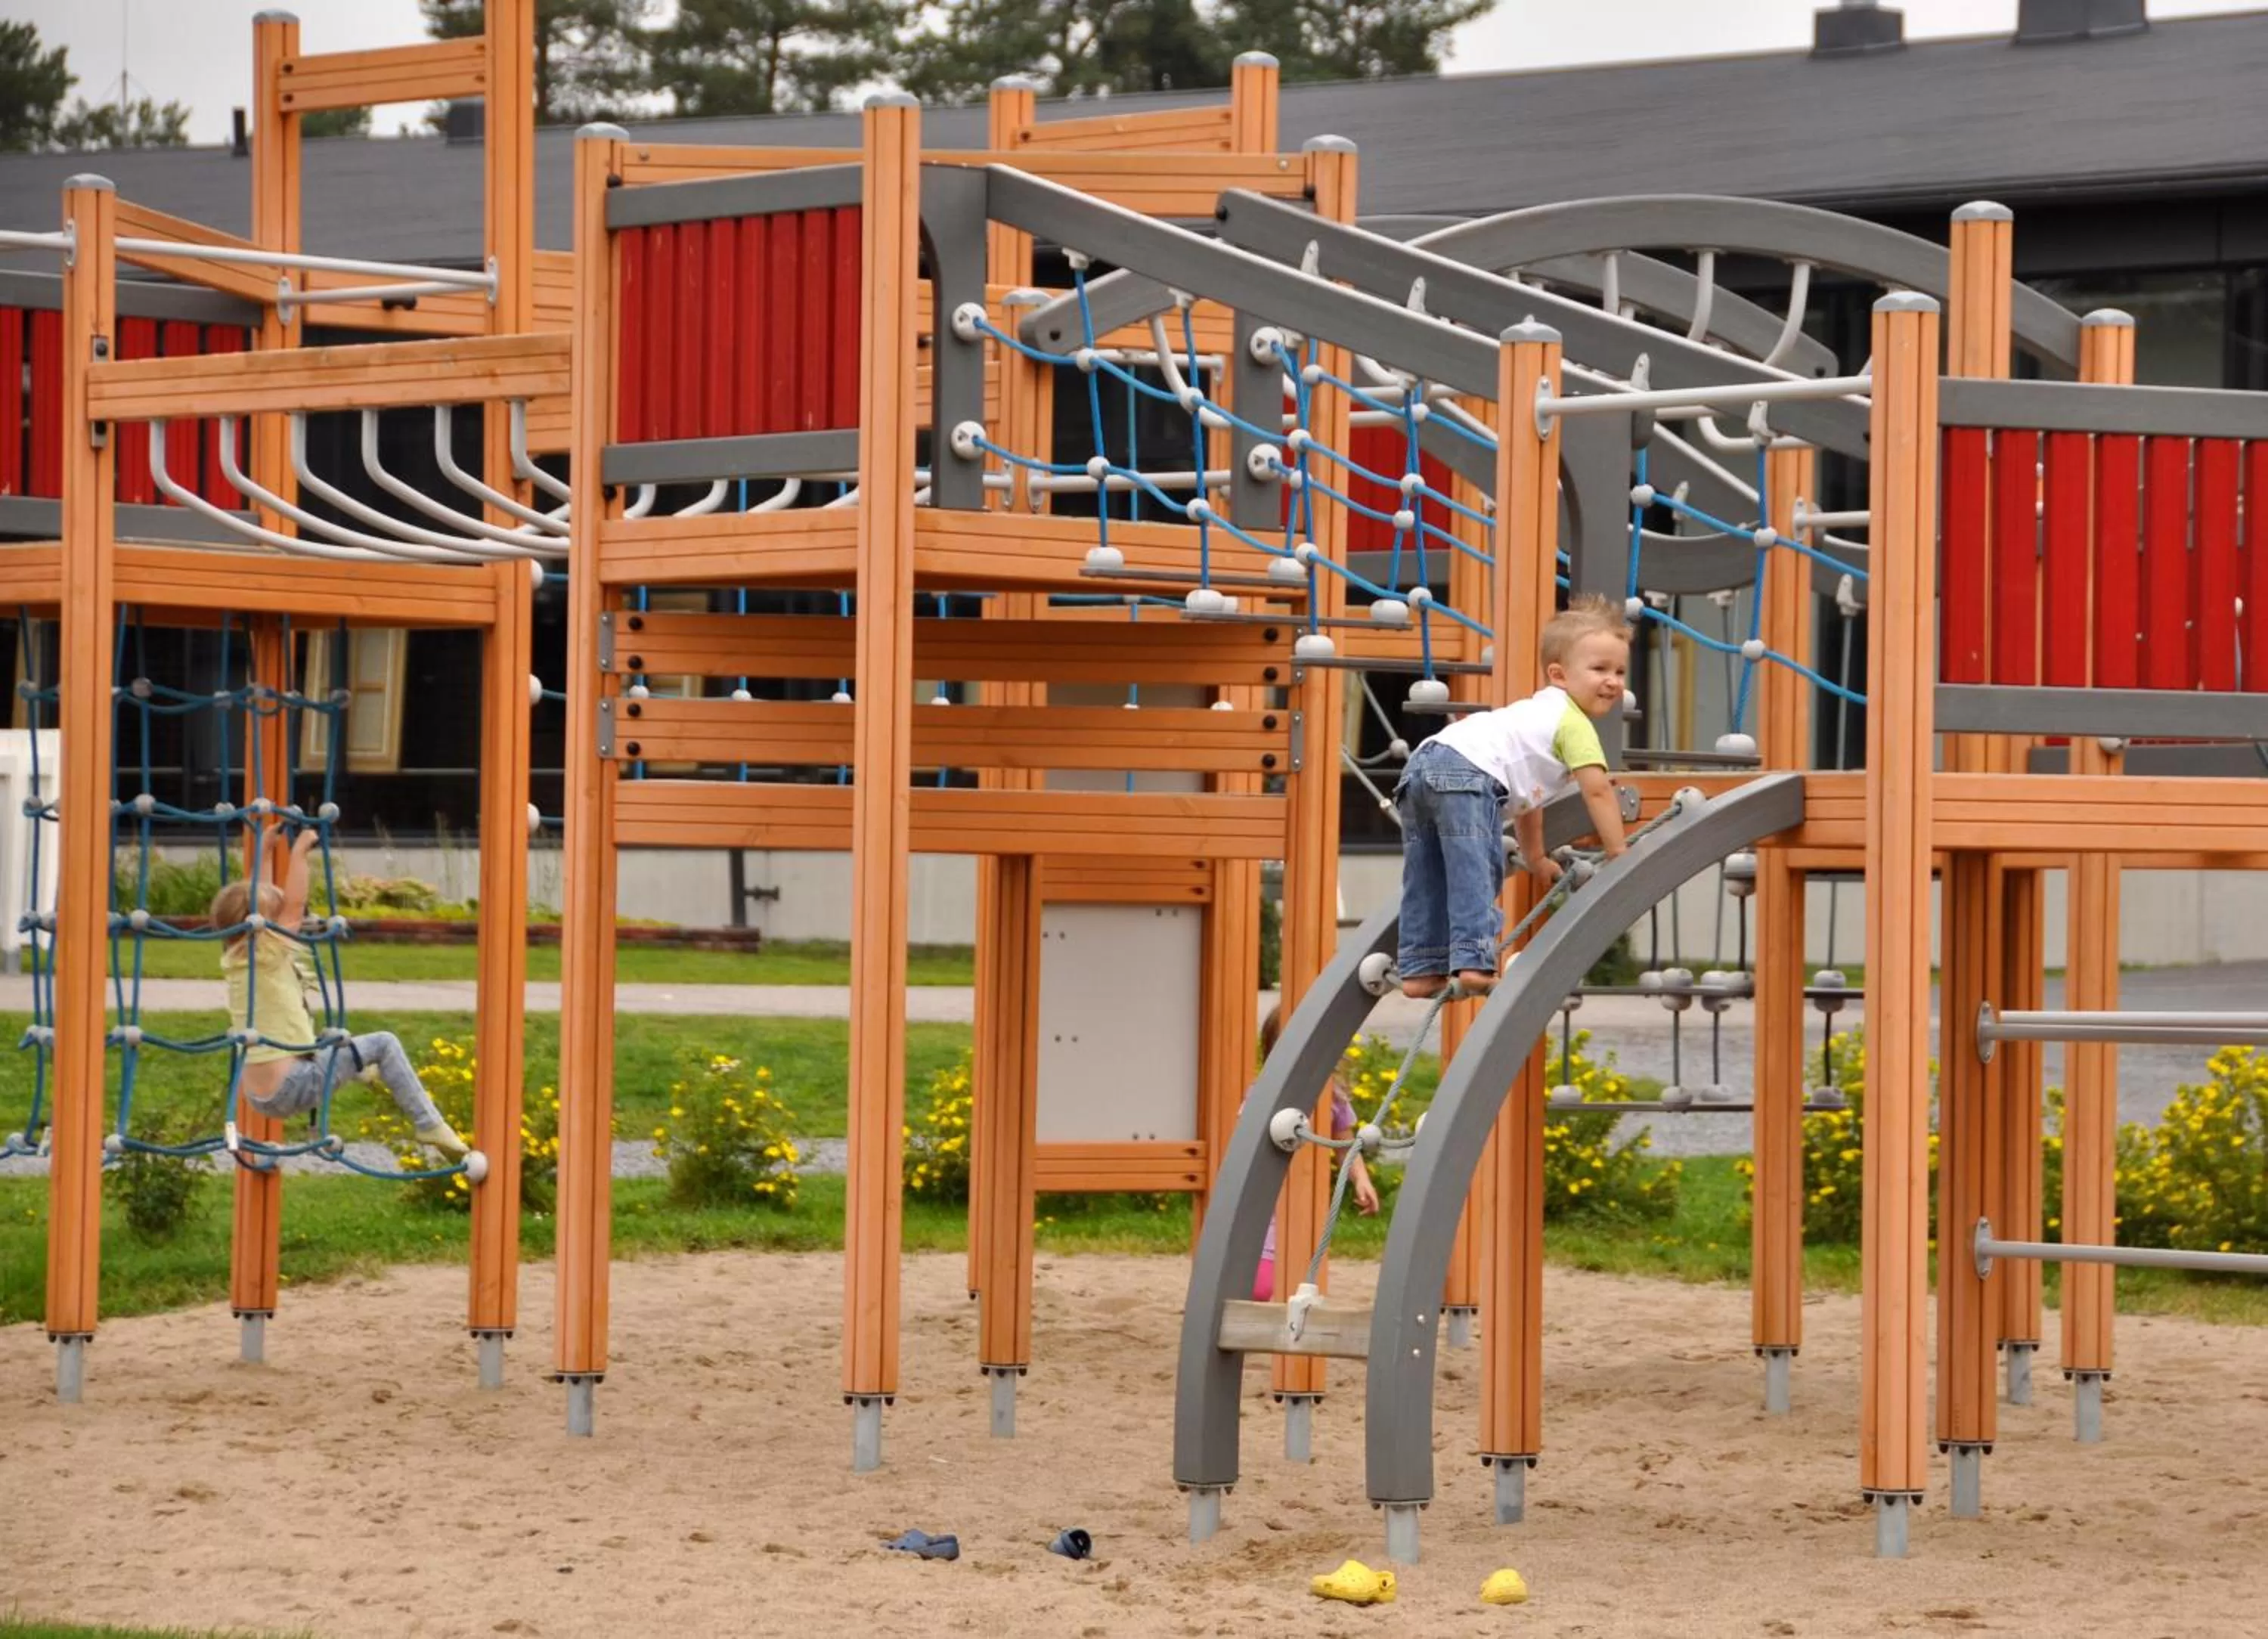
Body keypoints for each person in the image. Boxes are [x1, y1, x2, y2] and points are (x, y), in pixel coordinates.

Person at [1395, 593, 1633, 1000]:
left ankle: (1420, 968)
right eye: (1599, 669)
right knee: (1476, 866)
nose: (1612, 680)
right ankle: (1473, 962)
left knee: (1428, 873)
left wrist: (1536, 856)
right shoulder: (1572, 723)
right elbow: (1598, 791)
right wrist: (1619, 852)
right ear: (1559, 675)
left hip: (1420, 768)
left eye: (1620, 670)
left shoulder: (1533, 714)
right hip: (1468, 772)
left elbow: (1527, 803)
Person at [211, 823, 469, 1160]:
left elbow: (257, 905)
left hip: (257, 1094)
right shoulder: (270, 951)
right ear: (266, 926)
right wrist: (300, 852)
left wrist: (265, 851)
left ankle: (363, 1069)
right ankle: (428, 1124)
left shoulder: (237, 956)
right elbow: (294, 905)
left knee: (330, 1039)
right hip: (292, 1087)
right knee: (384, 1043)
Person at [1253, 1003, 1377, 1303]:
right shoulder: (1261, 1093)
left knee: (1295, 1270)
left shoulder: (1330, 1096)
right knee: (1261, 1281)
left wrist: (1361, 1179)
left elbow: (1345, 1143)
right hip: (1266, 1195)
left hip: (1304, 1196)